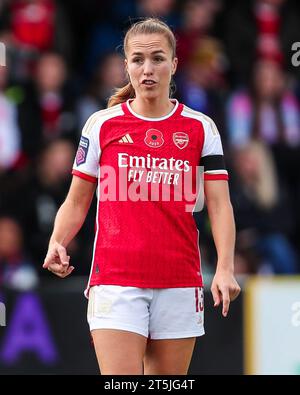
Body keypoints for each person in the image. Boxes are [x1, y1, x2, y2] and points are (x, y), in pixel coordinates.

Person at [43, 18, 240, 375]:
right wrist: (58, 240)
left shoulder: (200, 128)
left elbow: (219, 204)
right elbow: (76, 201)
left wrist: (225, 268)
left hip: (179, 280)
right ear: (126, 66)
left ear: (174, 64)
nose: (147, 69)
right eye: (137, 59)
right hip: (116, 280)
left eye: (158, 59)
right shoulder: (102, 125)